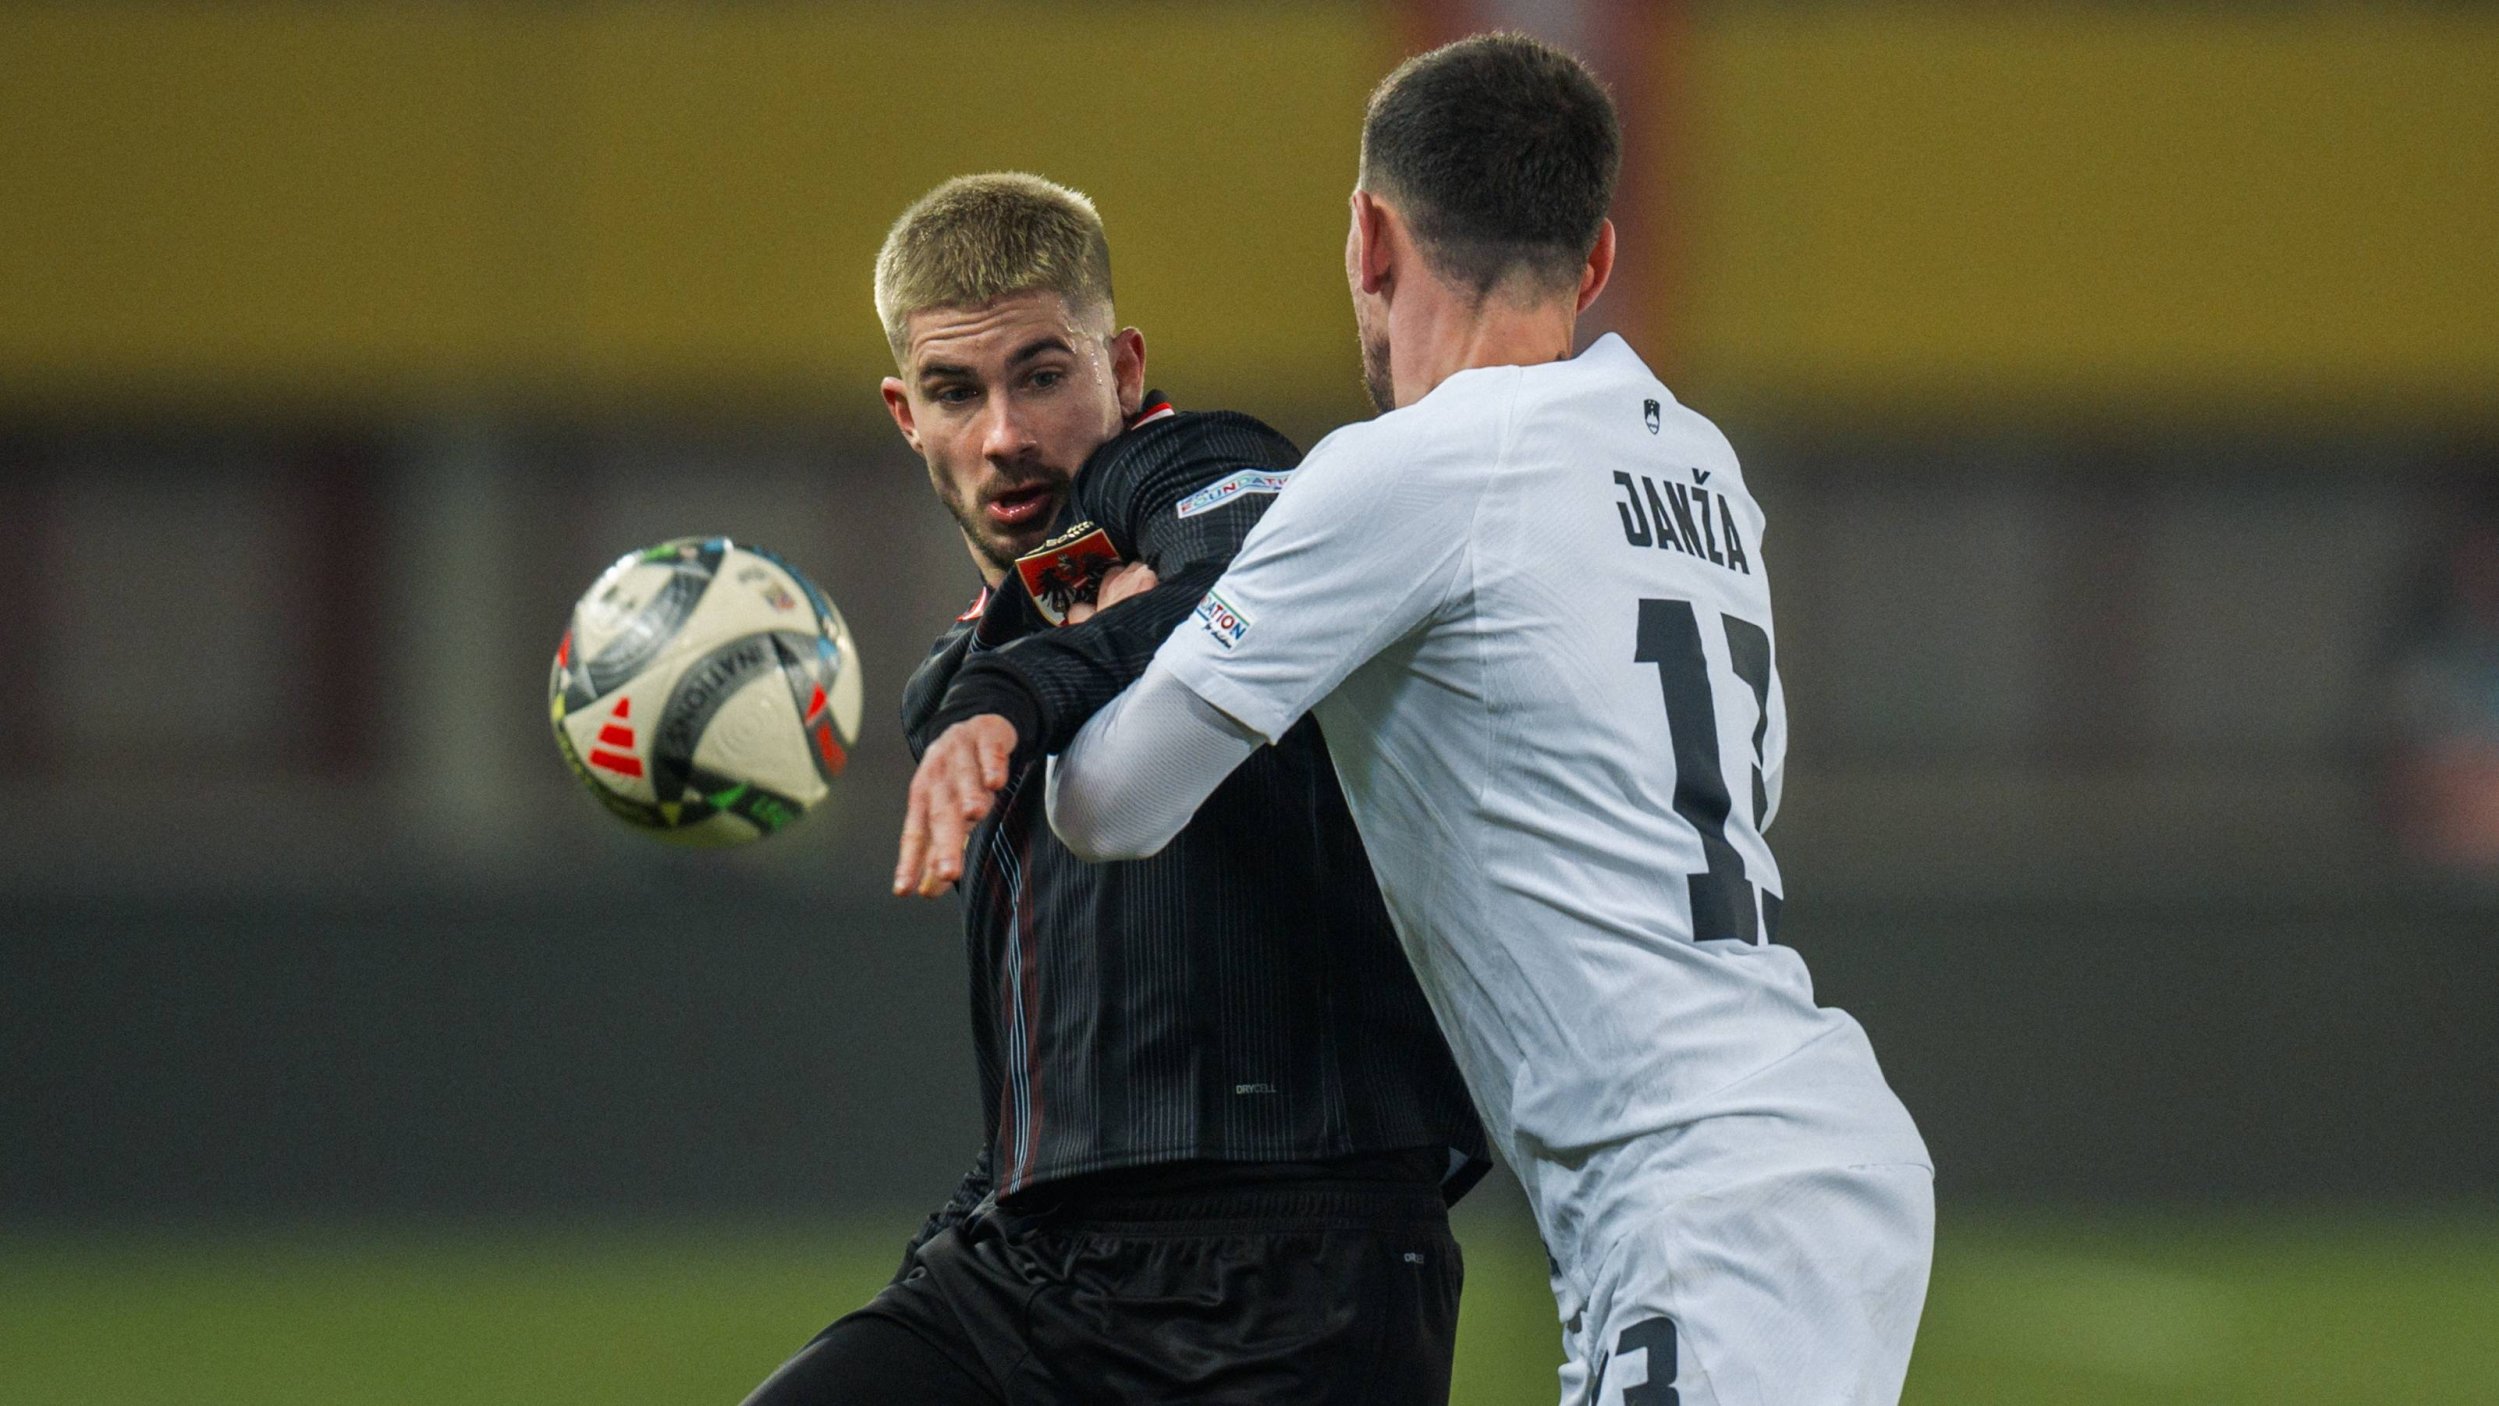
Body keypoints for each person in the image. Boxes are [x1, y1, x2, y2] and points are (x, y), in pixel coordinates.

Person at [898, 39, 1934, 1406]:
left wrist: (1098, 633)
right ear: (1597, 253)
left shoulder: (1401, 473)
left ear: (1367, 235)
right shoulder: (1692, 462)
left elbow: (1109, 805)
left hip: (1698, 1189)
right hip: (1791, 1146)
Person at [745, 173, 1487, 1406]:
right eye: (955, 390)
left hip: (1299, 1265)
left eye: (1043, 373)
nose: (1005, 434)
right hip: (1032, 1268)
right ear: (904, 413)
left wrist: (1019, 693)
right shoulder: (966, 672)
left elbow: (1229, 594)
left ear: (1125, 367)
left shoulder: (1218, 474)